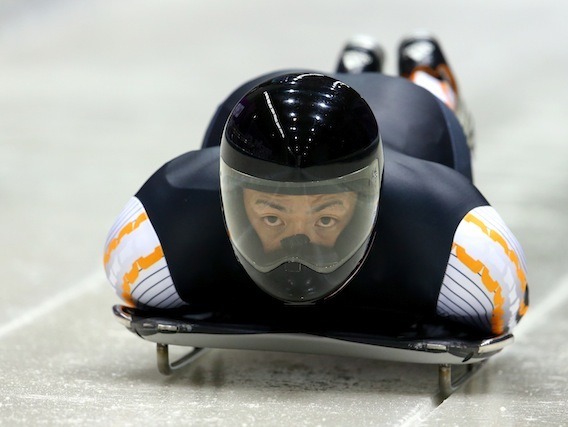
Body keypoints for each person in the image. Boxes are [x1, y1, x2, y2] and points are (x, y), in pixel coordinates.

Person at [103, 34, 528, 338]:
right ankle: (357, 71)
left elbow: (506, 302)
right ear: (230, 197)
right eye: (272, 215)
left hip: (412, 121)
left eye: (326, 216)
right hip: (270, 94)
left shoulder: (464, 241)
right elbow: (504, 308)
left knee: (425, 107)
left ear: (372, 199)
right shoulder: (154, 232)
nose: (299, 245)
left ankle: (427, 81)